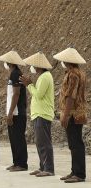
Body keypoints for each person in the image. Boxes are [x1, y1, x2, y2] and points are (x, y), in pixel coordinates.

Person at [54, 47, 87, 183]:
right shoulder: (79, 73)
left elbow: (70, 97)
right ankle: (75, 171)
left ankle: (78, 174)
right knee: (74, 143)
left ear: (67, 61)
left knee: (75, 144)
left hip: (73, 114)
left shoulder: (73, 75)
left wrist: (65, 115)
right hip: (77, 113)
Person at [20, 51, 55, 177]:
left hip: (43, 114)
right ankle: (43, 167)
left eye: (33, 65)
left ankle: (49, 169)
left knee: (44, 143)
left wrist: (29, 85)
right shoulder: (42, 77)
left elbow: (39, 95)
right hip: (39, 114)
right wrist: (30, 84)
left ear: (38, 65)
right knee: (40, 142)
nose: (32, 67)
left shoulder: (45, 77)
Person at [0, 51, 28, 171]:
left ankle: (21, 164)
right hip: (14, 111)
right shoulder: (14, 74)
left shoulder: (15, 74)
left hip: (17, 112)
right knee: (13, 138)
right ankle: (16, 162)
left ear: (9, 62)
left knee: (18, 138)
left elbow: (16, 94)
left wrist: (10, 113)